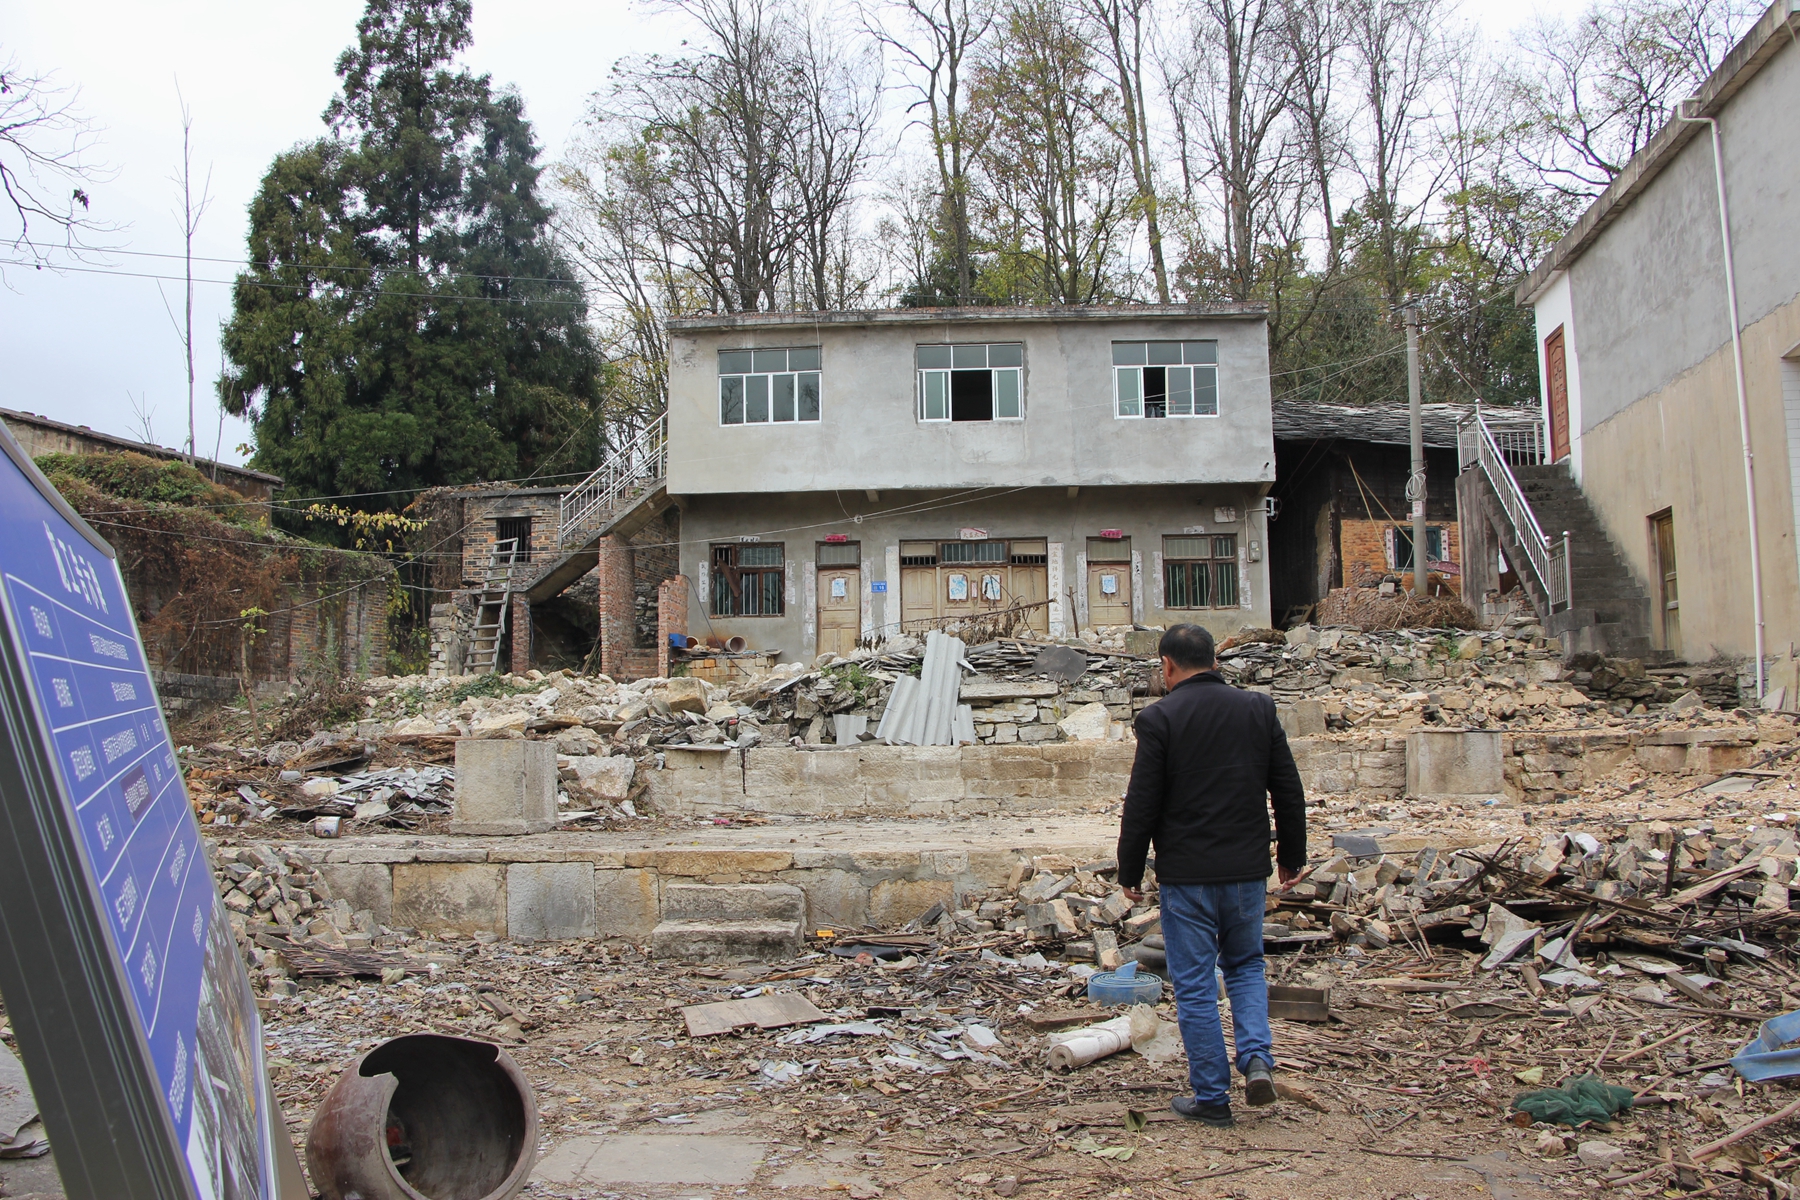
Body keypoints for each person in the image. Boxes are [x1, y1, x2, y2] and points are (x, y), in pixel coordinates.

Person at [1116, 623, 1306, 1127]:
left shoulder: (1159, 719)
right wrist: (1291, 855)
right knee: (1245, 966)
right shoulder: (1257, 709)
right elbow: (1287, 788)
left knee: (1196, 983)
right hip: (1246, 873)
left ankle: (1212, 1098)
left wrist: (1129, 870)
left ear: (1168, 667)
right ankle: (1257, 1059)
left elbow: (1142, 804)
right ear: (1216, 662)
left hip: (1188, 876)